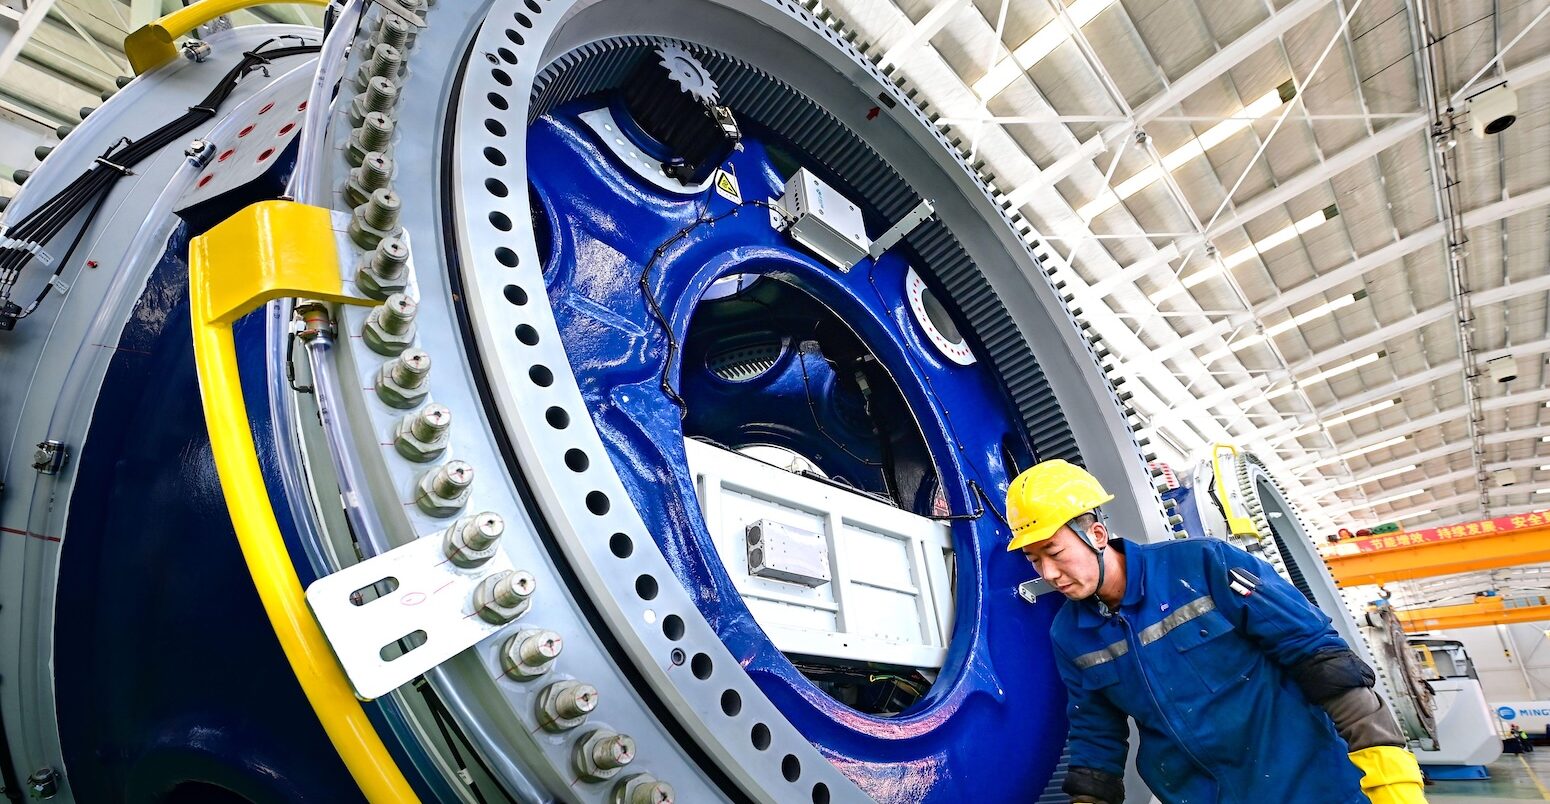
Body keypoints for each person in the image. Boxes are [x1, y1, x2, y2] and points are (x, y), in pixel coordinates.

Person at [1006, 459, 1427, 804]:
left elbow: (1321, 661)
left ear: (1096, 534)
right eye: (1034, 559)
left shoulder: (1205, 565)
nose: (1049, 573)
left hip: (1306, 786)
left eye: (1055, 552)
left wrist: (1389, 772)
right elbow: (1096, 735)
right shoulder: (1070, 633)